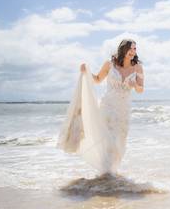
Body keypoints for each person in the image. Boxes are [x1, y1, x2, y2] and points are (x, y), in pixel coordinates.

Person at [57, 39, 144, 174]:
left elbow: (141, 89)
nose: (133, 52)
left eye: (135, 49)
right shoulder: (110, 65)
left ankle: (110, 171)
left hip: (123, 110)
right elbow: (97, 79)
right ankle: (107, 172)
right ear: (123, 49)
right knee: (107, 139)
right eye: (131, 49)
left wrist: (135, 85)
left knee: (119, 141)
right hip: (108, 107)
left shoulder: (137, 67)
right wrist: (86, 72)